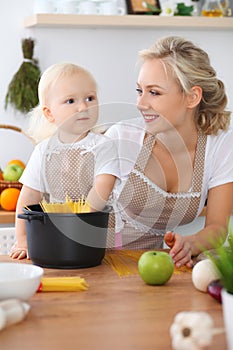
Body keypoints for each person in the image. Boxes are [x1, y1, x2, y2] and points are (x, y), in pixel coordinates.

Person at [106, 36, 233, 268]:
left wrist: (190, 244)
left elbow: (217, 228)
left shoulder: (220, 146)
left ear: (192, 97)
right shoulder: (122, 138)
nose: (141, 103)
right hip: (100, 263)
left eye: (154, 93)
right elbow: (74, 211)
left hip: (153, 267)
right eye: (139, 90)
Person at [10, 62, 120, 259]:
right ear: (49, 113)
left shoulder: (104, 146)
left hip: (99, 239)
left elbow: (101, 192)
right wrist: (23, 240)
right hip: (57, 238)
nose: (83, 107)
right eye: (71, 101)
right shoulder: (43, 151)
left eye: (90, 98)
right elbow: (28, 198)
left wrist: (77, 230)